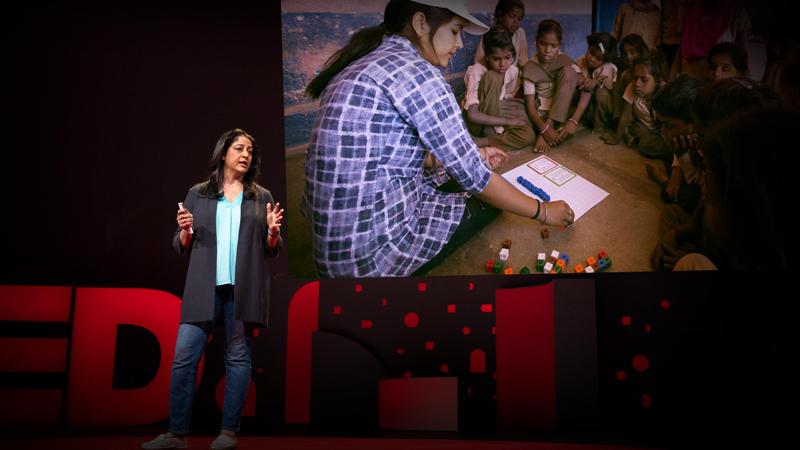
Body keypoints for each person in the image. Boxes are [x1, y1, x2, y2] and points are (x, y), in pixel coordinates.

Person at [302, 0, 574, 277]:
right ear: (420, 24)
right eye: (455, 31)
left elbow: (390, 149)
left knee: (452, 173)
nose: (458, 44)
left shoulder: (366, 60)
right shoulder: (418, 74)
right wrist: (543, 211)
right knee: (489, 201)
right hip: (370, 259)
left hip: (332, 249)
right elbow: (477, 179)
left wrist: (471, 154)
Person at [142, 129, 283, 450]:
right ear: (223, 154)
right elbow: (181, 244)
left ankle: (228, 434)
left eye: (250, 150)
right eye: (239, 148)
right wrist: (186, 230)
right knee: (183, 358)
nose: (246, 154)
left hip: (242, 290)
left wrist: (273, 232)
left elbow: (272, 248)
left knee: (237, 358)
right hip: (203, 288)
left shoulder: (262, 197)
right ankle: (176, 435)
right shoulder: (198, 194)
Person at [464, 26, 534, 151]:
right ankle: (493, 135)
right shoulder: (476, 71)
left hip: (496, 111)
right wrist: (508, 121)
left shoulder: (512, 71)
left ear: (513, 55)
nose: (503, 64)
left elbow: (506, 97)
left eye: (507, 57)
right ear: (487, 57)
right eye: (496, 59)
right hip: (478, 121)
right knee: (492, 76)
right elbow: (472, 115)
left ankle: (484, 141)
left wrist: (514, 118)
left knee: (528, 134)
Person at [646, 74, 706, 214]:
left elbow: (705, 188)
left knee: (689, 201)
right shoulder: (689, 134)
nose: (663, 131)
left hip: (706, 185)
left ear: (694, 124)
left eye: (669, 126)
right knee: (666, 150)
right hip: (693, 163)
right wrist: (677, 170)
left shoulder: (710, 144)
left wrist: (683, 158)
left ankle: (663, 181)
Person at [602, 51, 671, 171]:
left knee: (645, 146)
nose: (637, 84)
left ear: (658, 80)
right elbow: (625, 115)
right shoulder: (632, 87)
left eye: (644, 79)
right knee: (636, 130)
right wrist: (616, 138)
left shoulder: (665, 93)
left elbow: (669, 126)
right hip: (644, 125)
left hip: (662, 131)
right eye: (635, 78)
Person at [521, 19, 580, 153]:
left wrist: (574, 120)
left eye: (554, 46)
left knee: (570, 72)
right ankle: (551, 128)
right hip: (541, 111)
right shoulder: (530, 67)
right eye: (543, 44)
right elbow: (530, 107)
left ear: (560, 46)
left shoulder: (564, 60)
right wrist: (544, 129)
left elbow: (586, 89)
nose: (547, 50)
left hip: (564, 109)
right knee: (522, 120)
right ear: (536, 42)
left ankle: (551, 127)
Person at [670, 0, 750, 80]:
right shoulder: (690, 11)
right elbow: (681, 50)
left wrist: (745, 83)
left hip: (720, 81)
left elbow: (743, 56)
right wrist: (670, 80)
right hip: (690, 77)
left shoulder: (736, 12)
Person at [573, 32, 619, 132]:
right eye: (591, 53)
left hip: (602, 108)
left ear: (605, 61)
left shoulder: (609, 68)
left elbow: (610, 89)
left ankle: (600, 125)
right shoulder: (581, 61)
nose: (592, 59)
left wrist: (597, 82)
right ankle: (581, 118)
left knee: (602, 94)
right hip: (587, 105)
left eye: (598, 59)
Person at [474, 0, 528, 68]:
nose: (516, 22)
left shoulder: (520, 33)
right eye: (512, 16)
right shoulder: (488, 34)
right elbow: (479, 62)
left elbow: (523, 62)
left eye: (519, 19)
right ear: (500, 15)